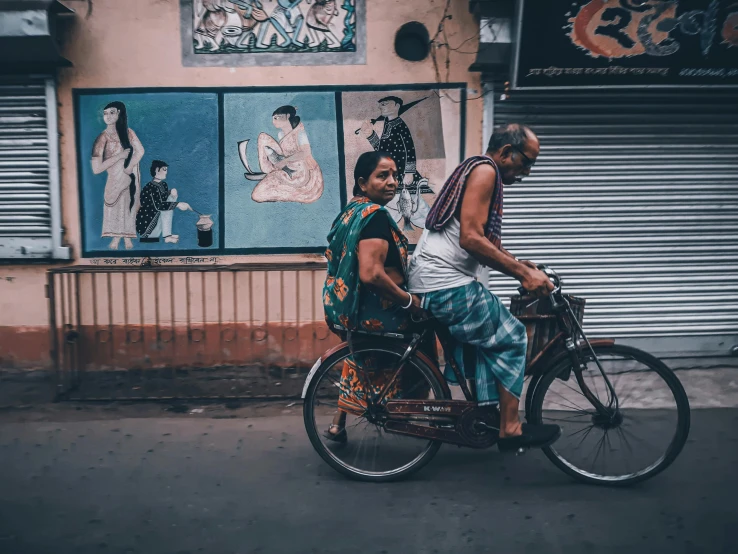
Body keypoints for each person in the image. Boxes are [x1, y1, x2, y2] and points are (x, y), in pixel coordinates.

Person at [407, 123, 561, 452]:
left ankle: (488, 415)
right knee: (513, 337)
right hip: (444, 283)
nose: (528, 171)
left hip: (435, 281)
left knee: (487, 342)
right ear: (506, 153)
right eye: (527, 162)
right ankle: (509, 427)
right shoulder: (486, 172)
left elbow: (479, 238)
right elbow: (471, 239)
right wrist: (521, 275)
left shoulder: (477, 167)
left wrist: (522, 265)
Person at [322, 151, 430, 442]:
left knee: (359, 353)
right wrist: (409, 301)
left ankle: (338, 423)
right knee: (427, 331)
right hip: (379, 312)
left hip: (351, 310)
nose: (392, 182)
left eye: (394, 175)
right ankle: (417, 408)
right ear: (362, 182)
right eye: (382, 176)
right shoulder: (375, 217)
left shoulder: (350, 212)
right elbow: (371, 274)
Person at [91, 101, 145, 250]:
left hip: (129, 178)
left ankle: (127, 238)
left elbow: (140, 151)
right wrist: (119, 157)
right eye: (105, 113)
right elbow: (96, 169)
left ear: (119, 113)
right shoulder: (101, 138)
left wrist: (129, 166)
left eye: (112, 112)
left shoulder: (129, 133)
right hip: (113, 180)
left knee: (128, 206)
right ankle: (115, 239)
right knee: (114, 208)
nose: (107, 116)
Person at [250, 105, 324, 204]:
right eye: (273, 119)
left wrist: (285, 161)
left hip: (301, 171)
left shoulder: (300, 133)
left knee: (259, 194)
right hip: (286, 166)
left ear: (288, 116)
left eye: (276, 118)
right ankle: (269, 170)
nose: (274, 122)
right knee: (263, 138)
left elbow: (305, 152)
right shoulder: (281, 134)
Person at [136, 160, 192, 244]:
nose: (166, 172)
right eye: (164, 169)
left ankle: (167, 235)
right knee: (167, 207)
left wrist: (171, 193)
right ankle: (167, 236)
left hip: (156, 218)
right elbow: (159, 206)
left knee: (170, 200)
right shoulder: (151, 187)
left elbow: (163, 198)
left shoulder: (163, 185)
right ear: (156, 170)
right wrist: (178, 204)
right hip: (147, 225)